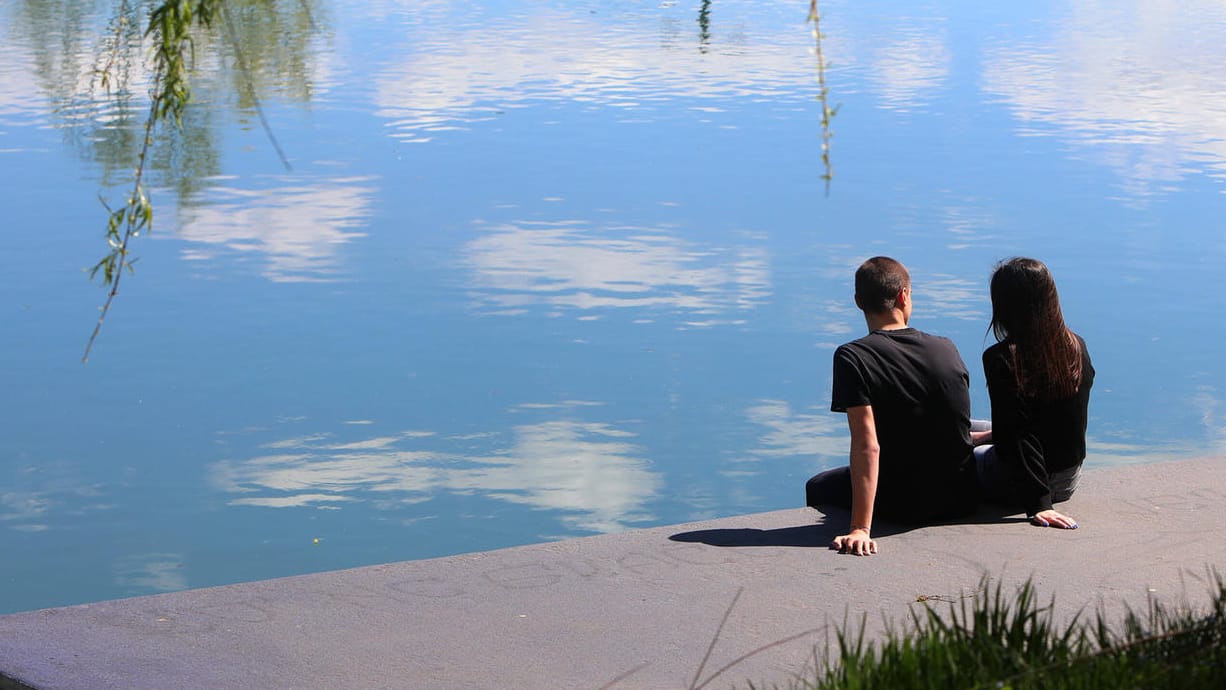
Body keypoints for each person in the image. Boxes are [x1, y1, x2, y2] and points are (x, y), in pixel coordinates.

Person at [806, 257, 979, 556]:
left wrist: (860, 528)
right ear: (904, 295)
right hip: (961, 498)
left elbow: (866, 445)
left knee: (819, 486)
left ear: (858, 302)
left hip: (903, 506)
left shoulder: (853, 356)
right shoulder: (946, 346)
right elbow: (952, 427)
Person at [974, 257, 1094, 530]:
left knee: (944, 445)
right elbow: (1053, 422)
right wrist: (985, 436)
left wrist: (1039, 504)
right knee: (965, 427)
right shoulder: (1076, 346)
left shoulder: (1002, 358)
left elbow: (1018, 435)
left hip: (1021, 485)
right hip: (1068, 478)